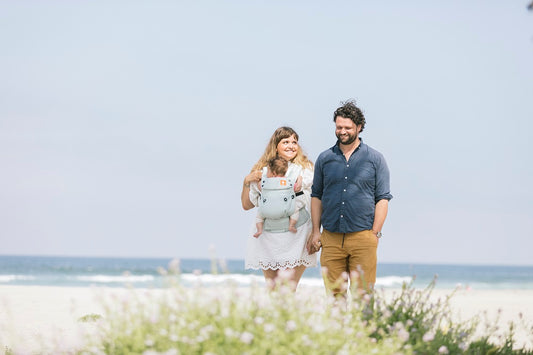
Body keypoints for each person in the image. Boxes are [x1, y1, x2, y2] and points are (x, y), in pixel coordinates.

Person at [307, 100, 392, 297]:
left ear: (359, 127)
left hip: (363, 237)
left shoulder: (375, 159)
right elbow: (316, 196)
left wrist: (375, 233)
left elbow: (382, 198)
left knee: (363, 296)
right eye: (339, 127)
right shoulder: (324, 158)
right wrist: (315, 232)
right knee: (334, 297)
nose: (342, 131)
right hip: (331, 238)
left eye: (347, 127)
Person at [242, 126, 317, 290]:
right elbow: (247, 205)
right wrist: (247, 181)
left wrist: (316, 232)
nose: (291, 145)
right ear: (275, 145)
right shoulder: (261, 171)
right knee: (273, 289)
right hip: (268, 235)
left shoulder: (306, 170)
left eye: (294, 142)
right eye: (286, 142)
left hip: (297, 234)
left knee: (288, 288)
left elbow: (317, 200)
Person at [253, 156, 305, 238]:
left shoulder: (264, 182)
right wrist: (299, 179)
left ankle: (259, 230)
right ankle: (291, 225)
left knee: (259, 216)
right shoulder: (289, 181)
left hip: (266, 211)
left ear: (273, 173)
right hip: (285, 210)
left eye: (268, 171)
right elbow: (297, 188)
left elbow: (260, 188)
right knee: (295, 210)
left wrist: (260, 180)